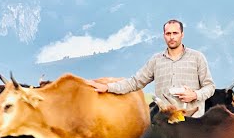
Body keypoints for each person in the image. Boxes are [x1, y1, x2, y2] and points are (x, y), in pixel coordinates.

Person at [85, 19, 215, 117]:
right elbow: (135, 82)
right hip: (165, 123)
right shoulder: (156, 60)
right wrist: (108, 87)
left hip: (192, 122)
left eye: (175, 33)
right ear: (164, 35)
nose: (172, 37)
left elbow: (210, 87)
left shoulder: (197, 57)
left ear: (182, 34)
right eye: (168, 33)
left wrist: (195, 95)